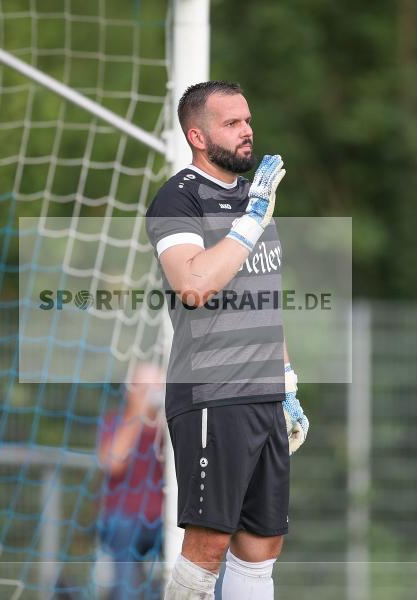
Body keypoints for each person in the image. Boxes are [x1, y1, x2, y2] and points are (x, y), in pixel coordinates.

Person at [144, 81, 310, 599]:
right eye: (232, 123)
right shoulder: (179, 196)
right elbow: (193, 285)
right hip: (213, 394)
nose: (247, 131)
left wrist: (287, 383)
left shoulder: (253, 198)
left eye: (248, 120)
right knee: (209, 544)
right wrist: (248, 223)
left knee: (263, 544)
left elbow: (266, 299)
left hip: (262, 395)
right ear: (197, 134)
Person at [97, 363, 166, 599]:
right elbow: (113, 463)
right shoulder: (114, 421)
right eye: (144, 387)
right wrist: (138, 415)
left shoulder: (170, 426)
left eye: (157, 387)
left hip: (165, 520)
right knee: (127, 582)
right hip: (124, 518)